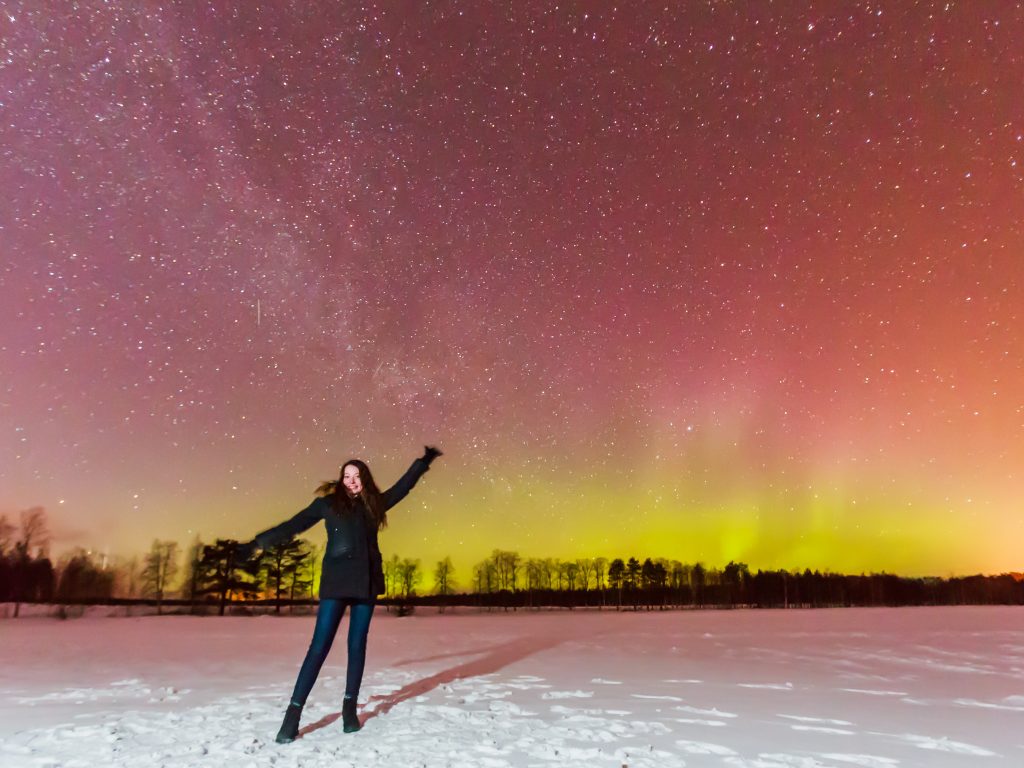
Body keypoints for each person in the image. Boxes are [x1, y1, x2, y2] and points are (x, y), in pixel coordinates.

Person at [237, 445, 442, 742]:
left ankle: (349, 710)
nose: (351, 480)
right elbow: (294, 525)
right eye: (347, 476)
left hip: (366, 583)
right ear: (341, 479)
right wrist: (257, 544)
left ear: (365, 479)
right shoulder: (327, 504)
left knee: (356, 645)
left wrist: (422, 463)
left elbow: (404, 487)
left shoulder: (375, 505)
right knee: (318, 647)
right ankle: (292, 716)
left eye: (357, 476)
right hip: (336, 582)